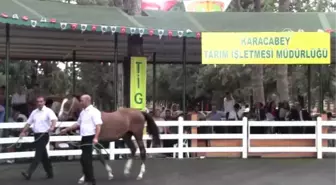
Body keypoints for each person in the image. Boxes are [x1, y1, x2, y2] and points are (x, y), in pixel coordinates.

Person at [61, 94, 102, 185]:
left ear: (87, 101)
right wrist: (67, 129)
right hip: (84, 138)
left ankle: (91, 180)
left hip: (90, 137)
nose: (80, 102)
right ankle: (89, 179)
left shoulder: (94, 112)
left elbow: (98, 126)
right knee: (84, 159)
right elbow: (77, 124)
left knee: (86, 159)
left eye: (81, 101)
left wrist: (96, 138)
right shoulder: (83, 112)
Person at [19, 96, 57, 180]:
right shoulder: (34, 112)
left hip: (44, 135)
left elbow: (54, 120)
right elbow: (28, 123)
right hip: (36, 135)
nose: (39, 103)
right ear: (36, 103)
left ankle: (28, 172)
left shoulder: (48, 111)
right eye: (38, 102)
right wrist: (23, 131)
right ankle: (50, 173)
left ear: (44, 102)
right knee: (44, 156)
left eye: (41, 101)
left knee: (38, 155)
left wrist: (52, 127)